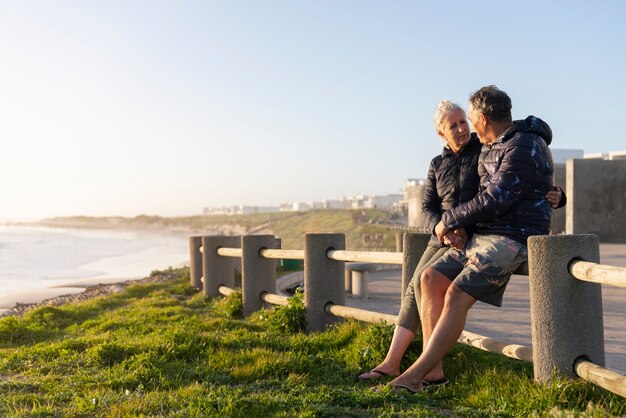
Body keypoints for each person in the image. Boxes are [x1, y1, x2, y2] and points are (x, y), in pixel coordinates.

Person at [358, 98, 564, 385]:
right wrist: (442, 228)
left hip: (478, 233)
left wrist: (558, 194)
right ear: (441, 134)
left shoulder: (486, 147)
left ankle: (416, 372)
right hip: (446, 234)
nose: (461, 128)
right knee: (421, 282)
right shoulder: (439, 163)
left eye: (464, 121)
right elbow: (428, 208)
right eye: (452, 125)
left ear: (480, 121)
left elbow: (511, 187)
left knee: (449, 292)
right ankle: (410, 365)